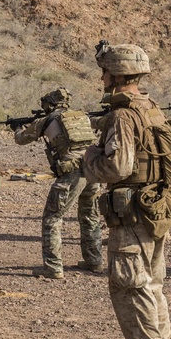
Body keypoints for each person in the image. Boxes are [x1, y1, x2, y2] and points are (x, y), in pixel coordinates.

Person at [83, 43, 171, 339]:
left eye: (105, 70)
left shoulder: (123, 114)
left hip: (133, 212)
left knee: (129, 284)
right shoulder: (151, 108)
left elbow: (117, 167)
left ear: (117, 73)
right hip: (156, 207)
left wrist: (90, 158)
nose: (102, 76)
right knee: (152, 283)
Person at [13, 88, 103, 277]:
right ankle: (94, 260)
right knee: (90, 216)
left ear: (50, 104)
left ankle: (53, 267)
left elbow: (21, 140)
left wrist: (17, 127)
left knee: (52, 218)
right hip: (93, 171)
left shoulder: (45, 120)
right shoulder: (81, 116)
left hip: (71, 174)